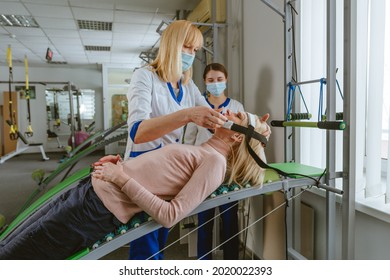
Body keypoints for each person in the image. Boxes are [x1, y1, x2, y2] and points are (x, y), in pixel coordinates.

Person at [0, 110, 268, 260]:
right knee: (7, 245)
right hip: (88, 193)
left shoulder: (215, 164)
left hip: (93, 210)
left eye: (240, 115)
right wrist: (121, 166)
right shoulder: (204, 150)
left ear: (235, 135)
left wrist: (121, 177)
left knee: (13, 259)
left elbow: (170, 215)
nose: (230, 110)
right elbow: (155, 177)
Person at [121, 19, 227, 260]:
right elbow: (138, 131)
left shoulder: (187, 87)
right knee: (145, 250)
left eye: (195, 50)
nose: (191, 54)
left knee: (160, 239)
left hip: (169, 176)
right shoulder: (145, 77)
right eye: (187, 47)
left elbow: (211, 116)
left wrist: (238, 122)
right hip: (143, 172)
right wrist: (187, 115)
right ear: (172, 44)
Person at [183, 63, 267, 260]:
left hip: (229, 173)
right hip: (203, 171)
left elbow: (246, 137)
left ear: (226, 80)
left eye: (219, 79)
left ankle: (231, 264)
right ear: (204, 82)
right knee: (204, 222)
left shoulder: (236, 107)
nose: (215, 84)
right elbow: (189, 141)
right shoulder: (198, 107)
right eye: (211, 80)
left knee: (230, 222)